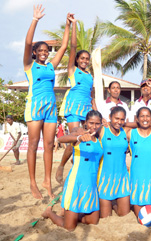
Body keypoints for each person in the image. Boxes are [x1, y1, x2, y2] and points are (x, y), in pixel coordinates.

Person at [23, 5, 72, 199]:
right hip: (35, 107)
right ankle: (33, 183)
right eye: (40, 50)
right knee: (34, 145)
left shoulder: (51, 66)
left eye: (46, 50)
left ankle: (47, 182)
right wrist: (35, 20)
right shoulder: (29, 65)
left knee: (50, 144)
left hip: (51, 108)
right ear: (35, 52)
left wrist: (68, 24)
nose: (44, 53)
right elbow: (27, 43)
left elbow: (64, 47)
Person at [42, 110, 103, 231]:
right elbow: (62, 139)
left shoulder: (99, 139)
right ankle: (49, 213)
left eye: (97, 123)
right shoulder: (79, 133)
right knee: (69, 227)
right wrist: (79, 137)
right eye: (91, 123)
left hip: (91, 184)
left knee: (93, 221)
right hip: (76, 183)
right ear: (85, 123)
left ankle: (73, 215)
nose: (94, 126)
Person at [56, 15, 96, 185]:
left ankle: (78, 167)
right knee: (74, 138)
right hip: (73, 109)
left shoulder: (91, 76)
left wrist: (96, 112)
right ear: (77, 60)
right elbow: (72, 46)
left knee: (87, 139)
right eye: (82, 58)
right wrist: (73, 26)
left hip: (87, 111)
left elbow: (92, 96)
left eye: (87, 59)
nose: (85, 61)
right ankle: (61, 165)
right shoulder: (73, 71)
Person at [96, 106, 130, 218]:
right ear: (110, 117)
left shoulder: (125, 132)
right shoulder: (102, 130)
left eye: (122, 119)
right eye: (116, 118)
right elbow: (86, 126)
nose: (119, 122)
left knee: (124, 214)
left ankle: (114, 206)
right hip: (105, 178)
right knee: (106, 217)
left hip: (122, 178)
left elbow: (141, 125)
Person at [128, 107, 151, 217]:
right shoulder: (130, 133)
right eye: (142, 116)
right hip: (137, 175)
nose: (145, 118)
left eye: (147, 116)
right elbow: (117, 126)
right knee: (141, 219)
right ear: (137, 118)